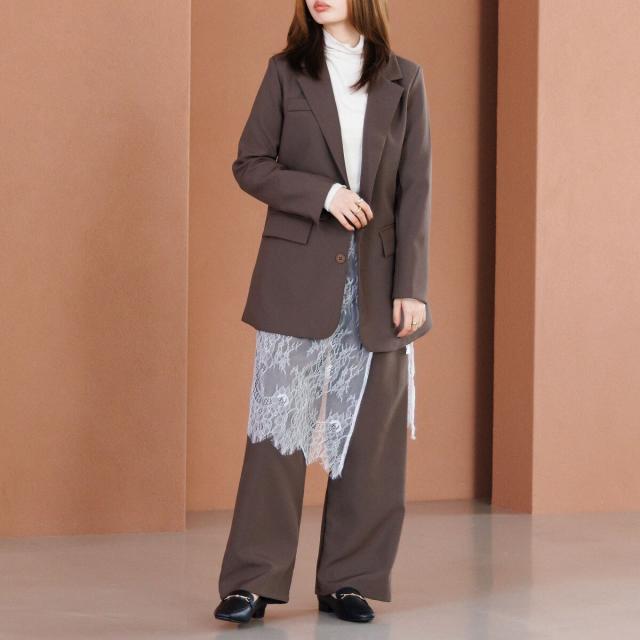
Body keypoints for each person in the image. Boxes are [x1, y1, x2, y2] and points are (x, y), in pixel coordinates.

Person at [214, 0, 432, 624]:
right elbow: (251, 163)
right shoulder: (286, 71)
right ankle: (252, 581)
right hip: (298, 275)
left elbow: (415, 186)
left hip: (379, 280)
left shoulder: (405, 77)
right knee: (277, 432)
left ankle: (349, 580)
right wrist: (324, 193)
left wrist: (412, 285)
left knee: (371, 438)